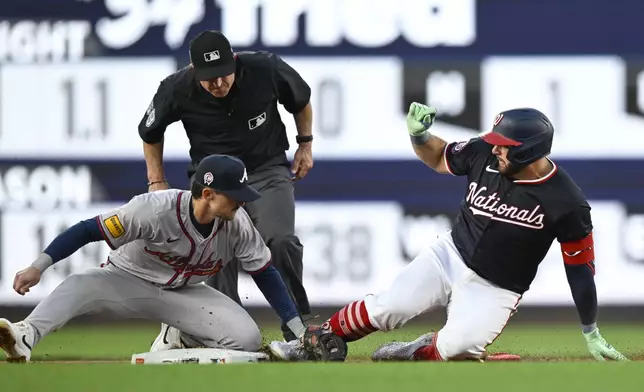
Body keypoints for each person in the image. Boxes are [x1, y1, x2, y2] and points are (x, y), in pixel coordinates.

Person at [268, 103, 629, 362]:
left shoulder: (567, 202)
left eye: (507, 145)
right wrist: (419, 135)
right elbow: (440, 157)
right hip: (450, 254)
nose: (497, 148)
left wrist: (590, 329)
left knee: (457, 348)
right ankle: (310, 344)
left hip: (498, 286)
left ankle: (417, 349)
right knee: (390, 306)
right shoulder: (485, 152)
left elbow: (579, 268)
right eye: (497, 140)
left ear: (531, 151)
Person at [0, 154, 308, 363]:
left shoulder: (237, 223)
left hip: (184, 293)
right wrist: (38, 266)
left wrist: (298, 330)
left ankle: (178, 336)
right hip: (126, 280)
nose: (242, 201)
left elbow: (265, 272)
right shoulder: (154, 209)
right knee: (81, 283)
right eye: (234, 193)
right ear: (209, 194)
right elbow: (87, 230)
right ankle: (25, 334)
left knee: (247, 338)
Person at [139, 30, 313, 341]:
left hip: (266, 169)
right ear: (194, 71)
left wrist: (305, 144)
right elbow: (150, 133)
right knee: (213, 252)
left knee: (281, 240)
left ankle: (297, 326)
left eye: (223, 75)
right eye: (209, 78)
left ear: (233, 61)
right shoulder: (176, 88)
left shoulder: (266, 69)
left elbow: (301, 100)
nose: (218, 84)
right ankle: (226, 327)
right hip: (212, 182)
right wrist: (156, 180)